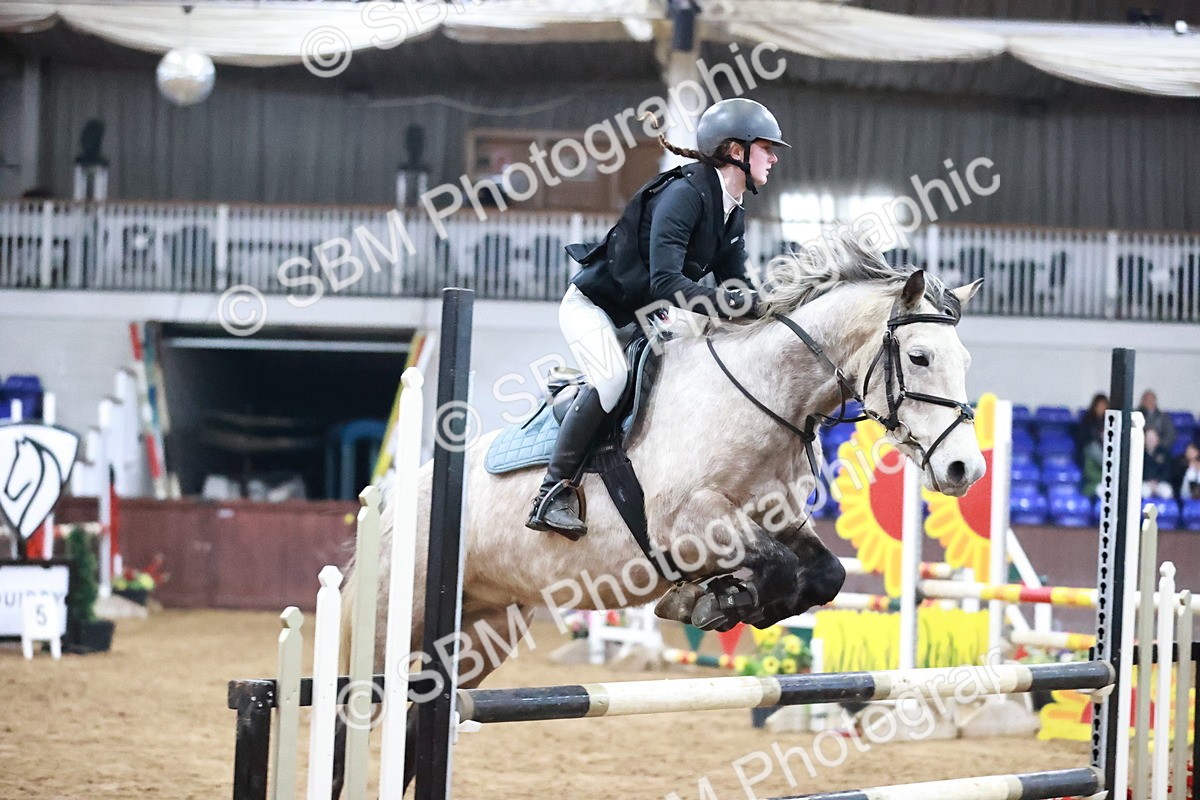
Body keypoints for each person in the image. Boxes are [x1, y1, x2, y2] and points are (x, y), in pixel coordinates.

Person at [526, 98, 789, 538]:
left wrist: (771, 309)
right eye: (766, 147)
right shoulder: (685, 194)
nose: (774, 157)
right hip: (594, 309)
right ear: (736, 150)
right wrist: (739, 305)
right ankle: (551, 492)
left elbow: (734, 285)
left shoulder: (732, 210)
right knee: (612, 381)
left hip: (645, 315)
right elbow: (667, 281)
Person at [1143, 428, 1175, 499]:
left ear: (1157, 439)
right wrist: (1149, 481)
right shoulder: (1141, 454)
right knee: (1144, 492)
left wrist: (1157, 481)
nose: (1150, 440)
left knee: (1167, 492)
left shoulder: (1164, 453)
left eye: (1153, 438)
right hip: (1146, 482)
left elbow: (1167, 471)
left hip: (1160, 482)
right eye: (1148, 438)